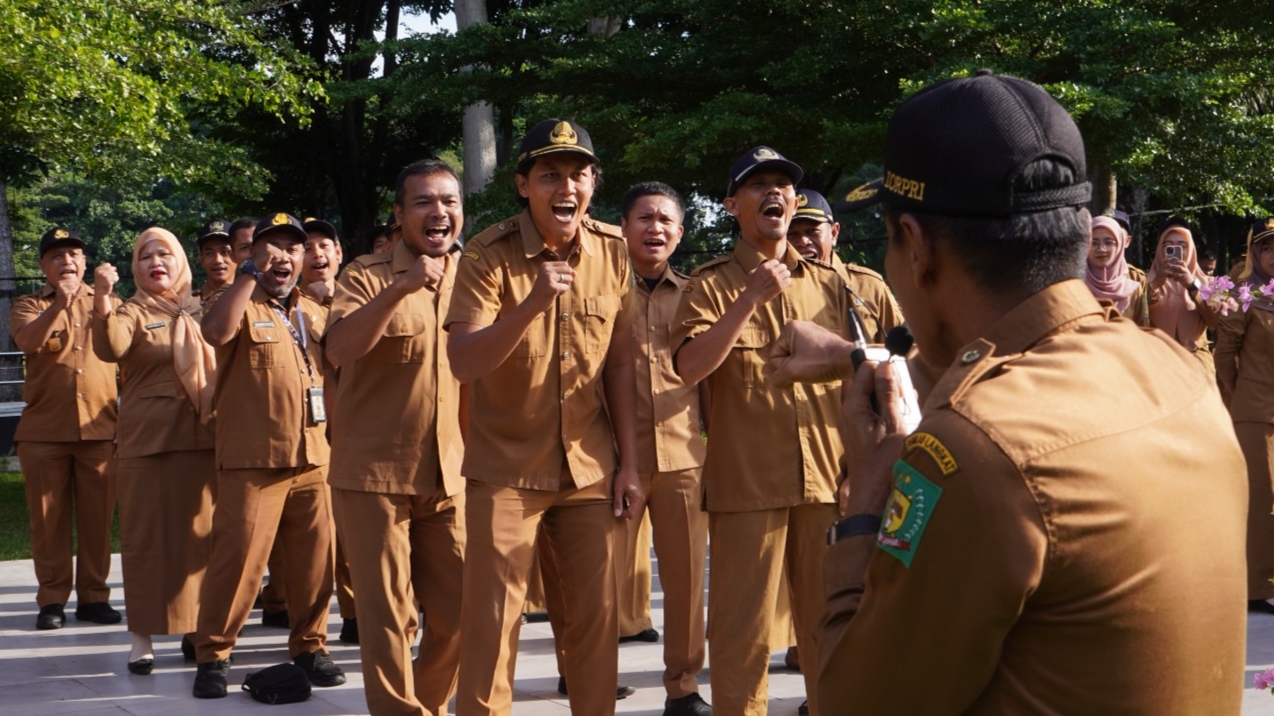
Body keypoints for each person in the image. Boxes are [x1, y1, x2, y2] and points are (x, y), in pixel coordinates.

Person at [766, 69, 1246, 714]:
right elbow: (995, 364)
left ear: (915, 244)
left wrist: (865, 506)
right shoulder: (1176, 369)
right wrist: (863, 355)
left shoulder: (974, 450)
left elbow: (855, 700)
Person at [445, 118, 643, 716]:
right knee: (493, 626)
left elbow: (620, 366)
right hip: (506, 470)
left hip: (589, 469)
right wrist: (532, 302)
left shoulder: (612, 251)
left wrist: (631, 463)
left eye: (579, 174)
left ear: (593, 185)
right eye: (550, 174)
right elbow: (463, 361)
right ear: (522, 184)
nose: (567, 186)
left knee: (594, 625)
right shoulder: (485, 254)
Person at [671, 147, 854, 716]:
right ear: (732, 205)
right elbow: (689, 367)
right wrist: (749, 298)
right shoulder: (709, 285)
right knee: (742, 639)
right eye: (757, 185)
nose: (774, 192)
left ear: (796, 201)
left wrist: (861, 473)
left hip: (826, 483)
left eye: (783, 185)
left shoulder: (832, 284)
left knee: (832, 633)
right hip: (747, 489)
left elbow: (860, 379)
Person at [323, 158, 468, 716]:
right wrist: (401, 288)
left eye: (449, 202)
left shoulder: (477, 275)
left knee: (461, 610)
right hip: (374, 474)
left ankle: (425, 705)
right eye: (424, 202)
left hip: (451, 472)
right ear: (400, 213)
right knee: (386, 616)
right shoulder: (365, 273)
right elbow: (337, 350)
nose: (439, 213)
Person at [191, 212, 344, 698]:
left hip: (314, 454)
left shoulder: (313, 310)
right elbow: (214, 334)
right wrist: (247, 277)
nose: (285, 256)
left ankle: (310, 645)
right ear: (252, 254)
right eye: (272, 247)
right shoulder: (231, 298)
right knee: (238, 563)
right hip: (254, 458)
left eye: (293, 248)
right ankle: (214, 654)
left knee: (316, 564)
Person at [90, 227, 217, 674]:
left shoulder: (201, 308)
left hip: (202, 439)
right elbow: (110, 347)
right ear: (135, 268)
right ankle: (141, 637)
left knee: (199, 540)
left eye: (164, 254)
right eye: (146, 257)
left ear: (180, 260)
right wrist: (102, 298)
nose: (156, 262)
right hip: (146, 441)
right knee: (144, 540)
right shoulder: (131, 311)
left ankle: (197, 628)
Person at [616, 181, 711, 716]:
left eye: (666, 220)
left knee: (685, 583)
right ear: (624, 227)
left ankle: (683, 687)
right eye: (644, 218)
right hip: (610, 459)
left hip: (682, 459)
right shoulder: (598, 290)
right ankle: (585, 671)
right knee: (595, 579)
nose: (655, 228)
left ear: (679, 232)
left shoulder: (698, 293)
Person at [11, 226, 121, 631]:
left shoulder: (109, 303)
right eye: (56, 256)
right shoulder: (28, 304)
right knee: (48, 520)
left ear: (85, 262)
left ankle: (94, 597)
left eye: (73, 254)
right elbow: (27, 342)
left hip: (99, 429)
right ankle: (52, 599)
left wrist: (98, 298)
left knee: (97, 521)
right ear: (43, 266)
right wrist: (60, 304)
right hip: (43, 433)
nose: (67, 262)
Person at [1217, 218, 1274, 614]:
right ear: (1255, 253)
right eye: (1268, 247)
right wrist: (1239, 397)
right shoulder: (1245, 294)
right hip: (1256, 411)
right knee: (1261, 499)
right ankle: (1257, 588)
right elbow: (1225, 353)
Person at [1148, 215, 1216, 375]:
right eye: (1168, 246)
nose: (1175, 250)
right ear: (1160, 249)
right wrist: (1155, 284)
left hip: (1197, 366)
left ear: (1191, 249)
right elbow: (1133, 314)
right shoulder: (1143, 281)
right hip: (1156, 365)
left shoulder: (1210, 283)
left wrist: (1192, 285)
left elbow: (1215, 322)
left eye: (1182, 245)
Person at [1083, 214, 1149, 326]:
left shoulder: (1134, 291)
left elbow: (1143, 331)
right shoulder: (1075, 286)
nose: (1101, 249)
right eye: (1094, 243)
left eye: (1108, 242)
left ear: (1119, 245)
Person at [302, 217, 345, 306]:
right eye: (307, 248)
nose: (317, 254)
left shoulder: (357, 297)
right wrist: (307, 304)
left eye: (324, 245)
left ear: (338, 253)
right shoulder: (285, 303)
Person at [196, 219, 237, 305]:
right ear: (201, 259)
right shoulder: (188, 304)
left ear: (238, 256)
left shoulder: (254, 301)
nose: (218, 260)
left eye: (225, 252)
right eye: (209, 253)